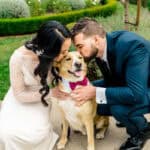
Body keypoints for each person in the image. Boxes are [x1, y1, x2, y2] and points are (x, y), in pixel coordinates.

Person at [70, 17, 150, 150]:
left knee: (118, 108)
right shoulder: (100, 50)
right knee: (98, 105)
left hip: (142, 89)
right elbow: (111, 81)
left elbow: (136, 94)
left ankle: (142, 130)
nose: (78, 52)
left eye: (80, 46)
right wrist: (87, 87)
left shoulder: (133, 46)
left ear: (96, 39)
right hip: (137, 84)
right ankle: (130, 118)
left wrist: (94, 91)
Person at [0, 20, 71, 150]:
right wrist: (51, 93)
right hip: (20, 98)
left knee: (35, 135)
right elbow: (20, 94)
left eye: (67, 50)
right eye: (62, 52)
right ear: (49, 49)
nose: (65, 55)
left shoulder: (54, 56)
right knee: (7, 133)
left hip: (41, 100)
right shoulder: (18, 58)